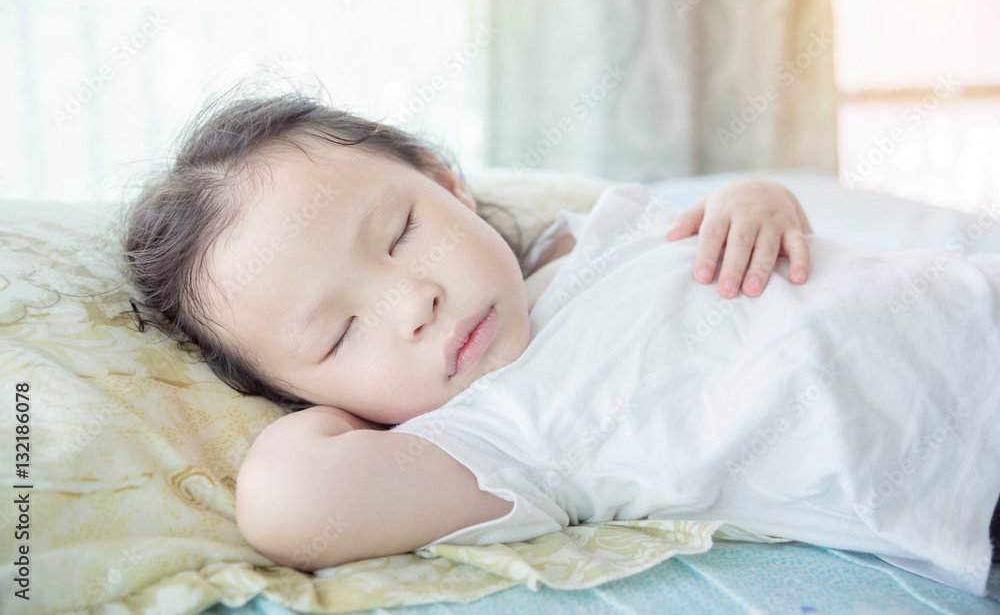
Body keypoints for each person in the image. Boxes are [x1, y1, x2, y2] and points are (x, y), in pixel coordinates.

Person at [123, 88, 1000, 597]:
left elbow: (770, 255)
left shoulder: (596, 231)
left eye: (398, 234)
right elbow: (291, 509)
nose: (412, 301)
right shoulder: (485, 437)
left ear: (447, 184)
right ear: (314, 400)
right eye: (341, 332)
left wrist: (760, 198)